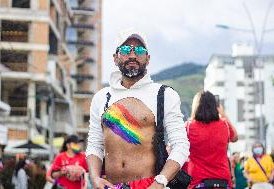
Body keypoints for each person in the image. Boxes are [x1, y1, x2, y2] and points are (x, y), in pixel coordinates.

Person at [86, 29, 190, 189]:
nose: (133, 55)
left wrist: (160, 182)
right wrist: (94, 178)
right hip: (110, 186)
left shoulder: (163, 94)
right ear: (115, 58)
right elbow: (95, 145)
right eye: (126, 49)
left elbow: (181, 145)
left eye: (140, 50)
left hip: (149, 185)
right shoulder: (101, 97)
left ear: (147, 59)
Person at [186, 91, 238, 189]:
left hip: (198, 181)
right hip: (222, 181)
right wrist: (223, 114)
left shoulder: (189, 127)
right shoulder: (225, 125)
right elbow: (235, 137)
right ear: (215, 106)